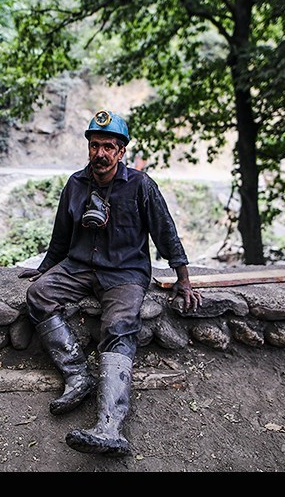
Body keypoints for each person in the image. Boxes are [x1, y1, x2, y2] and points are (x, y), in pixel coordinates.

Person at [18, 109, 202, 457]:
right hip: (79, 266)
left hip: (125, 272)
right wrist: (45, 269)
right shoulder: (76, 184)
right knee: (38, 295)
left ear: (121, 151)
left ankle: (109, 427)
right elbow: (60, 237)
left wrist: (184, 279)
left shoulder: (140, 185)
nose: (100, 153)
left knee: (118, 325)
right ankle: (77, 376)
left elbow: (165, 232)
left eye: (108, 147)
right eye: (95, 145)